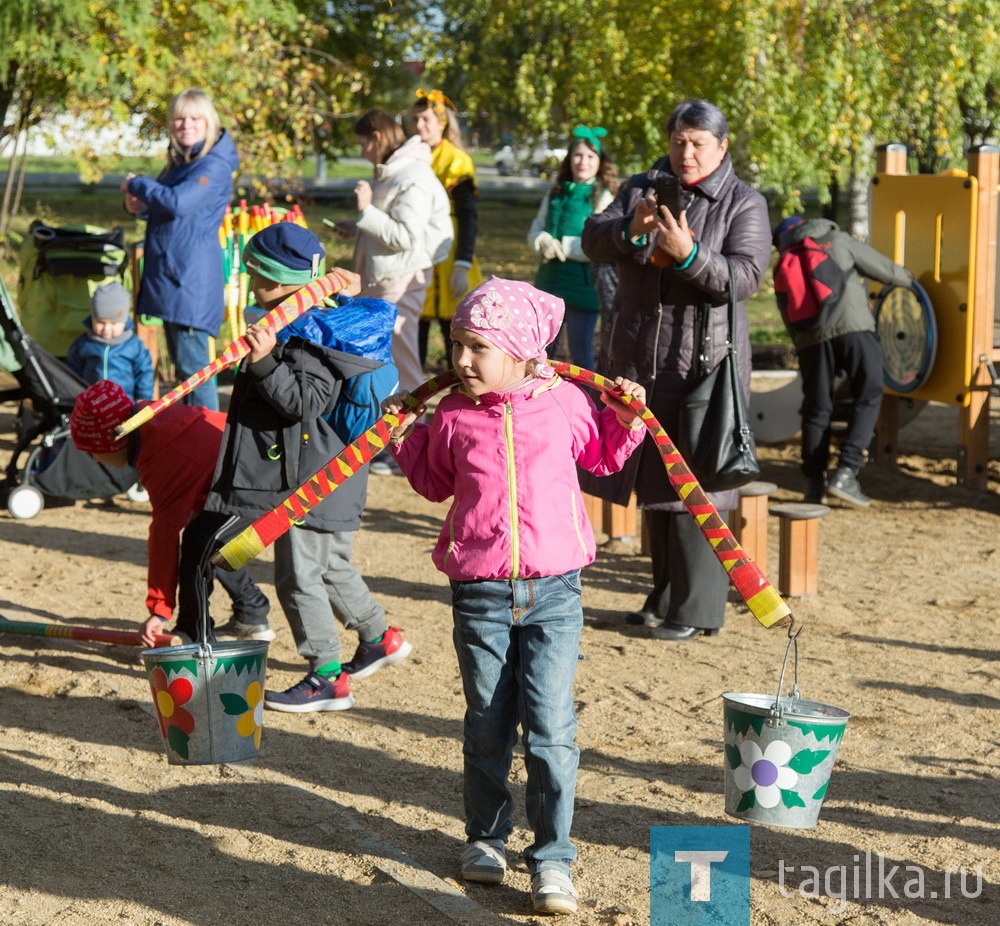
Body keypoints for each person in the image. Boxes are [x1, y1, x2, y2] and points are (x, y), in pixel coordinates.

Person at [382, 277, 646, 916]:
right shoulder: (451, 413)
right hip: (478, 590)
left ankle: (553, 859)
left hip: (555, 589)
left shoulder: (564, 404)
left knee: (552, 727)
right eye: (457, 345)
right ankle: (486, 838)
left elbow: (605, 458)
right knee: (487, 719)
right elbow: (433, 483)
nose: (461, 361)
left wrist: (625, 417)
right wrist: (404, 434)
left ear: (523, 352)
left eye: (478, 348)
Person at [581, 99, 771, 641]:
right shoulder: (643, 187)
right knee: (655, 483)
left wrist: (689, 254)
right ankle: (662, 597)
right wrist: (629, 230)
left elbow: (747, 277)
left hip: (703, 371)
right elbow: (592, 239)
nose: (685, 153)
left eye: (698, 144)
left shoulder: (743, 202)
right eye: (678, 141)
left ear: (721, 147)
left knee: (695, 488)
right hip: (642, 361)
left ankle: (696, 610)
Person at [203, 223, 412, 712]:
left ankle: (326, 676)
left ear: (277, 281)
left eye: (257, 277)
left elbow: (304, 401)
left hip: (310, 478)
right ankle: (380, 638)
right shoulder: (329, 317)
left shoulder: (304, 334)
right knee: (332, 565)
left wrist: (262, 362)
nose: (252, 285)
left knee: (298, 577)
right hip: (339, 469)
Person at [67, 379, 270, 646]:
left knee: (199, 542)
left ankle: (193, 631)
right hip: (249, 476)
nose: (94, 460)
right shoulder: (153, 419)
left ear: (112, 444)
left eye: (92, 452)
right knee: (213, 539)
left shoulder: (161, 452)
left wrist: (159, 610)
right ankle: (251, 613)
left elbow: (164, 537)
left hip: (260, 482)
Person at [772, 216, 913, 507]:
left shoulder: (783, 261)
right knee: (869, 394)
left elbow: (788, 313)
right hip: (854, 330)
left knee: (817, 408)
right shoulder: (837, 240)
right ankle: (847, 471)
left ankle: (814, 484)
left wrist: (804, 346)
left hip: (811, 341)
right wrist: (910, 279)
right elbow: (887, 272)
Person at [121, 88, 240, 411]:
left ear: (209, 122)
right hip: (176, 276)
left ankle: (208, 446)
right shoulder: (184, 161)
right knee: (185, 373)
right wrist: (138, 207)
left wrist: (137, 183)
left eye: (194, 118)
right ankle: (192, 442)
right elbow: (176, 211)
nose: (186, 125)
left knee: (194, 372)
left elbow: (178, 202)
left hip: (190, 282)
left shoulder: (212, 165)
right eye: (179, 118)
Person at [332, 108, 452, 395]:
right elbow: (387, 224)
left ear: (377, 137)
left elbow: (406, 236)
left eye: (363, 144)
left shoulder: (414, 176)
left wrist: (366, 210)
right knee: (380, 363)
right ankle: (384, 432)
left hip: (400, 284)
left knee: (401, 363)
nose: (363, 153)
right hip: (383, 282)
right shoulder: (392, 172)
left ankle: (413, 434)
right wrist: (358, 226)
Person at [528, 125, 618, 370]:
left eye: (590, 156)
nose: (583, 162)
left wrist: (564, 247)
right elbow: (536, 227)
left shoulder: (603, 196)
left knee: (581, 356)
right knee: (541, 354)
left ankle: (589, 405)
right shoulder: (556, 191)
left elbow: (601, 244)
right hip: (549, 284)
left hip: (583, 288)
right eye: (578, 155)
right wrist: (542, 240)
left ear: (600, 161)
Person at [411, 89, 484, 369]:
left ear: (441, 121)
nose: (419, 126)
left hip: (449, 249)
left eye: (426, 119)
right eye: (416, 120)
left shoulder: (455, 160)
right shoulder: (410, 156)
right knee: (413, 331)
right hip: (417, 249)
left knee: (455, 330)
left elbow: (468, 214)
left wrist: (462, 262)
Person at [66, 281, 154, 402]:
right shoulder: (84, 343)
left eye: (113, 323)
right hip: (92, 404)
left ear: (124, 321)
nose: (106, 328)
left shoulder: (133, 345)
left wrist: (143, 398)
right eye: (100, 322)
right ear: (92, 319)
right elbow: (72, 370)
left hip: (125, 403)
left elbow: (144, 373)